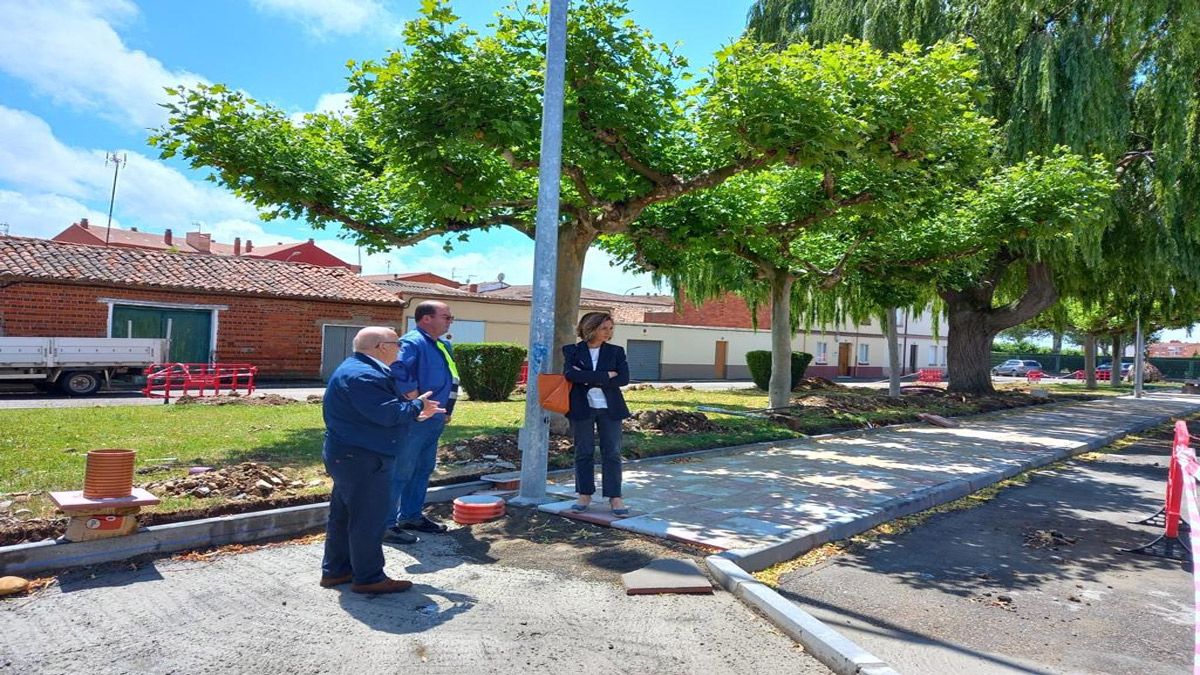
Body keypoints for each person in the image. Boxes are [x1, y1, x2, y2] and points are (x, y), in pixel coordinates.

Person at [320, 326, 443, 594]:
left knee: (344, 517)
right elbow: (386, 414)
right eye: (396, 342)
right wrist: (418, 406)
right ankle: (369, 577)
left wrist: (412, 412)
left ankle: (337, 571)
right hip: (363, 457)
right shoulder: (364, 375)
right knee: (369, 519)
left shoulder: (359, 369)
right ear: (380, 347)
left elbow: (376, 412)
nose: (400, 347)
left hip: (350, 455)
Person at [385, 300, 459, 542]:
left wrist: (446, 409)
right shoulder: (412, 342)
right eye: (446, 317)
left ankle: (411, 516)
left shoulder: (441, 345)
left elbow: (452, 379)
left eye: (450, 317)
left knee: (423, 468)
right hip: (415, 418)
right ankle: (385, 524)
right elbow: (398, 369)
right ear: (426, 318)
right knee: (402, 470)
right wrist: (415, 401)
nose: (450, 321)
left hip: (434, 417)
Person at [562, 312, 631, 514]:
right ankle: (584, 495)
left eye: (611, 328)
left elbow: (623, 379)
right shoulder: (572, 351)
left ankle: (615, 498)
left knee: (612, 453)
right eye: (604, 328)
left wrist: (586, 377)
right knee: (583, 452)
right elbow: (570, 374)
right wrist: (605, 376)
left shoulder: (616, 352)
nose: (609, 332)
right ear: (590, 329)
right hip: (582, 408)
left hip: (610, 409)